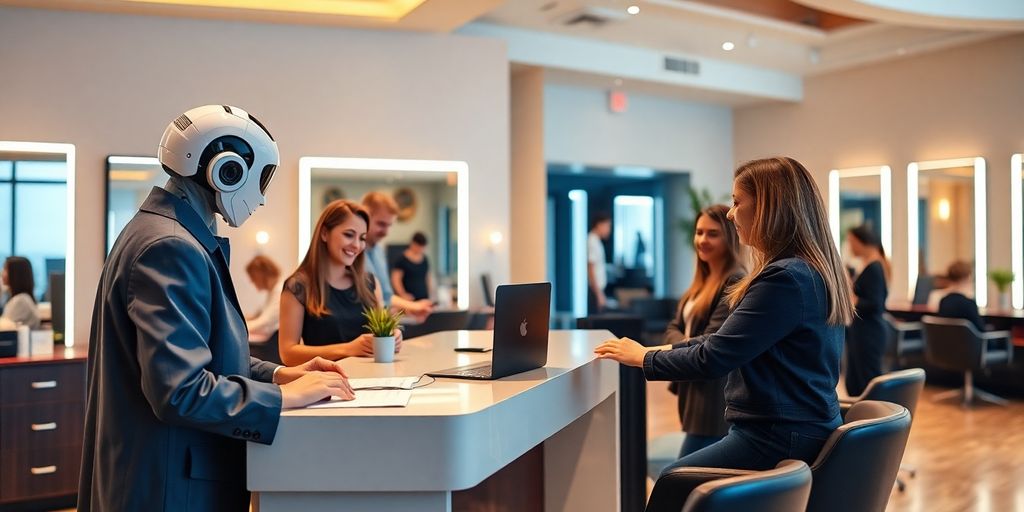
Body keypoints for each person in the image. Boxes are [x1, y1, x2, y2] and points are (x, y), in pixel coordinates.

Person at [79, 105, 355, 512]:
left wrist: (282, 374)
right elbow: (181, 390)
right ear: (227, 171)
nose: (260, 199)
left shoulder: (164, 232)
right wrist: (284, 399)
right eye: (259, 180)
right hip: (170, 486)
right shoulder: (170, 247)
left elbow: (206, 354)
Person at [596, 156, 854, 472]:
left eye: (736, 202)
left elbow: (714, 356)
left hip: (777, 435)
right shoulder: (808, 271)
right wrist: (651, 350)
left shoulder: (784, 279)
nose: (731, 214)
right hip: (798, 426)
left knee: (673, 480)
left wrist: (643, 358)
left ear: (767, 208)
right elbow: (719, 340)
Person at [663, 205, 746, 457]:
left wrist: (681, 345)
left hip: (712, 394)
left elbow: (710, 341)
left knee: (683, 473)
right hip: (693, 387)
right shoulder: (702, 280)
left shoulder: (734, 280)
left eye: (712, 233)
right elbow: (672, 327)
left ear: (730, 236)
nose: (702, 240)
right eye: (699, 232)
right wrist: (685, 343)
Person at [279, 199, 403, 366]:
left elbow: (382, 330)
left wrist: (392, 335)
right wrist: (347, 349)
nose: (357, 245)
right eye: (349, 235)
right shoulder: (298, 287)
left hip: (372, 382)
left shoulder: (370, 283)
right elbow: (288, 353)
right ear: (324, 233)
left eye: (362, 238)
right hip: (324, 384)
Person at [361, 191, 433, 321]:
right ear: (365, 217)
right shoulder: (352, 253)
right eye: (381, 224)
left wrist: (412, 307)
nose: (386, 232)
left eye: (389, 225)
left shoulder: (379, 252)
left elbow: (386, 297)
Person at [844, 225, 890, 396]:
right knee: (856, 381)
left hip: (869, 333)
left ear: (862, 242)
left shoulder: (875, 268)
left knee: (868, 382)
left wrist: (853, 300)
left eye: (851, 242)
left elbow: (875, 303)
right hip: (861, 331)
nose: (850, 247)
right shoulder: (869, 266)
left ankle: (874, 420)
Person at [935, 260, 985, 331]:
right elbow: (981, 331)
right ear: (968, 277)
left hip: (948, 341)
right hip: (970, 342)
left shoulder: (944, 301)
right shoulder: (969, 304)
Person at [245, 255, 283, 342]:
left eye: (252, 277)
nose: (252, 281)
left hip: (272, 342)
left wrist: (242, 326)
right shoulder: (273, 291)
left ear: (260, 274)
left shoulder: (279, 291)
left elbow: (265, 322)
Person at [0, 256, 41, 329]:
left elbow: (4, 328)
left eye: (5, 269)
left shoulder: (20, 301)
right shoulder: (22, 298)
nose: (1, 273)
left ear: (15, 274)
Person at [391, 231, 432, 301]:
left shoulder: (425, 259)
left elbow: (428, 277)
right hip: (409, 300)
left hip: (424, 298)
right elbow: (395, 280)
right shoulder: (402, 260)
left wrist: (430, 293)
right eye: (419, 246)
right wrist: (403, 294)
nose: (420, 249)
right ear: (413, 244)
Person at [588, 212, 611, 314]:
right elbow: (590, 268)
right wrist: (599, 294)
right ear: (599, 225)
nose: (609, 230)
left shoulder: (596, 241)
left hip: (597, 290)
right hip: (595, 290)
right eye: (607, 226)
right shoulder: (592, 241)